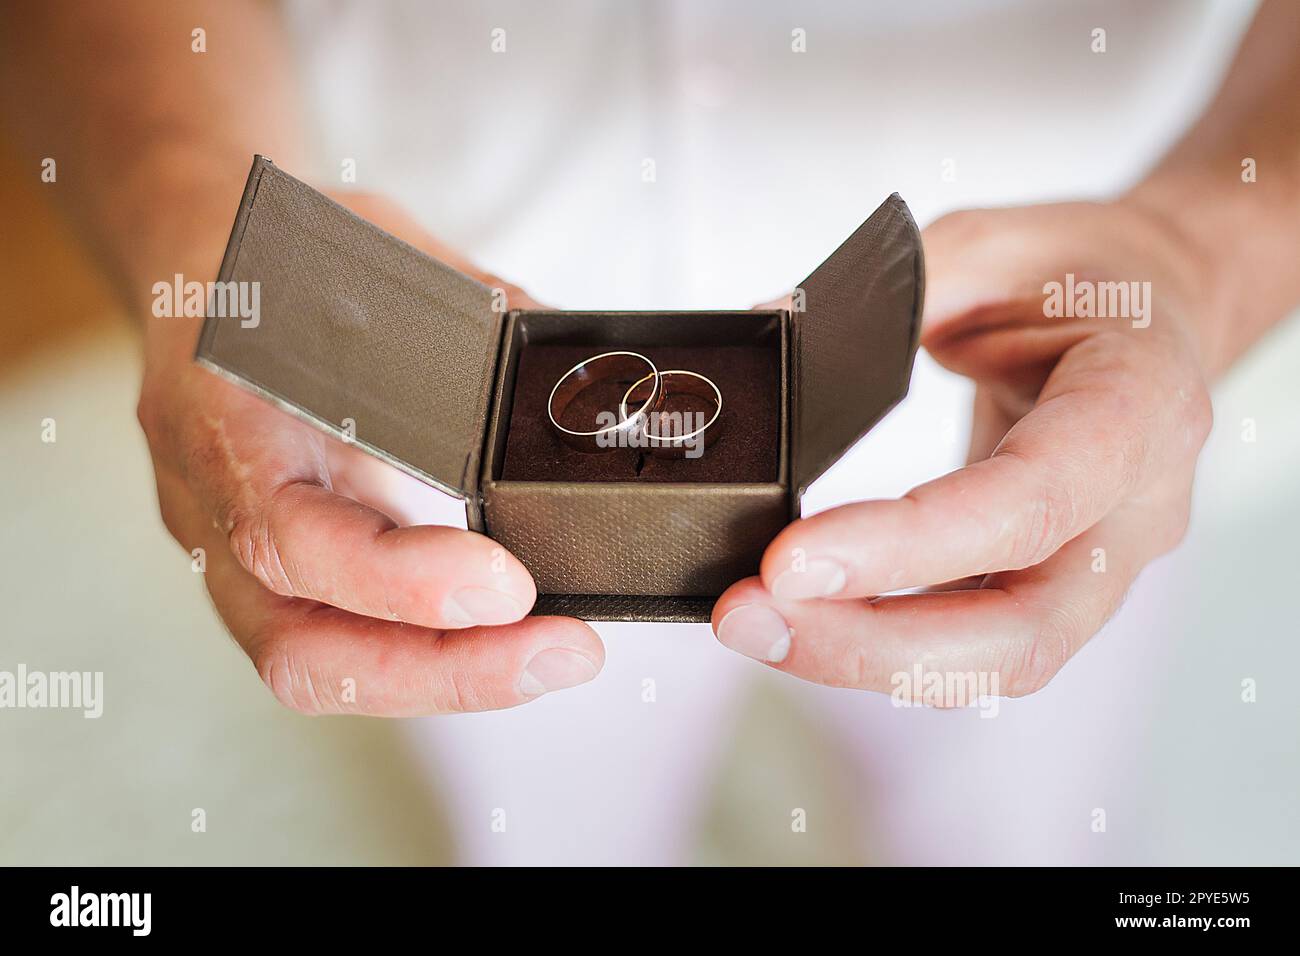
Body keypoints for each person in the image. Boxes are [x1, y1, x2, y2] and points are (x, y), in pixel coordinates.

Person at [4, 0, 1297, 864]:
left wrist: (1205, 245)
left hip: (1019, 397)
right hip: (419, 422)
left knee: (1012, 818)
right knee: (546, 820)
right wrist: (194, 215)